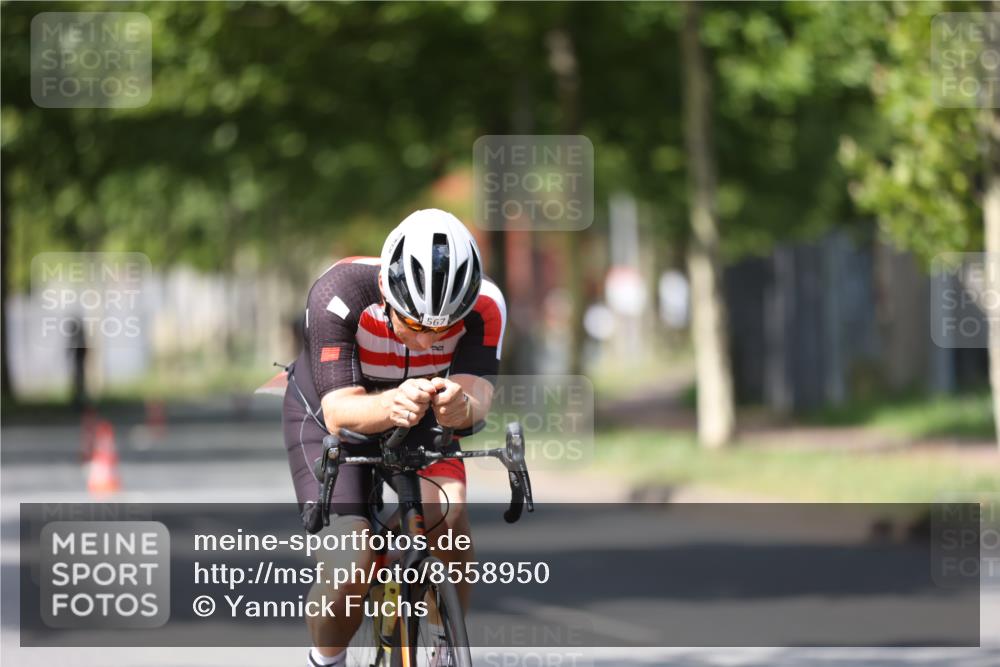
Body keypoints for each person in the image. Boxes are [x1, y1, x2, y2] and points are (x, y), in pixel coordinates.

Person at [282, 209, 506, 667]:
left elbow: (477, 398)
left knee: (449, 511)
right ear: (387, 293)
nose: (430, 340)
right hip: (333, 415)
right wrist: (388, 405)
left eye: (445, 327)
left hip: (421, 410)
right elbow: (340, 411)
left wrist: (462, 406)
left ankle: (448, 648)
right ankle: (328, 659)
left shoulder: (486, 304)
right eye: (418, 325)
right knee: (352, 556)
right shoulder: (338, 293)